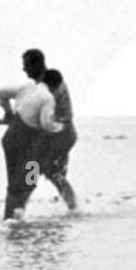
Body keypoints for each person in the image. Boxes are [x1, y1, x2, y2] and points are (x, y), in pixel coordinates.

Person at [0, 49, 64, 220]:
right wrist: (58, 127)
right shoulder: (48, 98)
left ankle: (9, 218)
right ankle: (16, 218)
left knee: (14, 184)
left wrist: (7, 114)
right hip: (28, 145)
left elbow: (1, 92)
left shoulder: (27, 87)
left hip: (9, 140)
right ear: (55, 87)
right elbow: (45, 124)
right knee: (30, 179)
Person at [38, 68, 79, 211]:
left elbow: (41, 120)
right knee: (57, 174)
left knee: (51, 172)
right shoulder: (57, 82)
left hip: (61, 135)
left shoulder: (50, 94)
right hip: (68, 134)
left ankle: (74, 207)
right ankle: (72, 206)